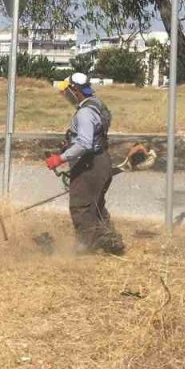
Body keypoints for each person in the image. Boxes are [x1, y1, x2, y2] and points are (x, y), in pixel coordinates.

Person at [45, 73, 124, 255]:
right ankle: (111, 240)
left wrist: (60, 158)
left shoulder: (85, 113)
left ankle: (85, 246)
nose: (66, 96)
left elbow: (84, 143)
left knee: (80, 205)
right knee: (96, 205)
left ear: (75, 90)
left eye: (67, 91)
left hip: (90, 164)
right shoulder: (96, 105)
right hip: (100, 160)